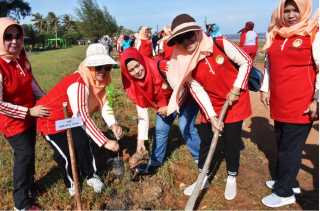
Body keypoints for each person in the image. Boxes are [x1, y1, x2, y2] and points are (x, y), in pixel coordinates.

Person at [165, 14, 252, 199]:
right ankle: (203, 177)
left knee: (231, 141)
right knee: (206, 141)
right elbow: (197, 91)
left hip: (234, 102)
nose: (187, 41)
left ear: (197, 31)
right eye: (180, 39)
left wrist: (236, 88)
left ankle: (231, 176)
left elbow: (246, 61)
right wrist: (212, 116)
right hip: (212, 103)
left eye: (189, 35)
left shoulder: (220, 44)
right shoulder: (185, 62)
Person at [36, 43, 123, 196]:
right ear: (89, 66)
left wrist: (113, 123)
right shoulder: (79, 84)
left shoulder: (105, 80)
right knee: (66, 154)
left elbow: (105, 103)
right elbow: (82, 115)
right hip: (51, 121)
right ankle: (72, 183)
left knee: (84, 144)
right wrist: (106, 142)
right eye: (98, 67)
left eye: (107, 67)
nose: (103, 71)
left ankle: (91, 175)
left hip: (72, 118)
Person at [260, 0, 319, 207]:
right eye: (287, 10)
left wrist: (317, 100)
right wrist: (265, 88)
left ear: (304, 11)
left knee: (289, 149)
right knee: (282, 143)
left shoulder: (312, 33)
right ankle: (288, 181)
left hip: (301, 103)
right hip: (280, 103)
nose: (291, 14)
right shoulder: (277, 33)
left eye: (295, 10)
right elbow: (269, 64)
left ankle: (284, 193)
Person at [119, 47, 202, 174]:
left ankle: (201, 159)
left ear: (141, 60)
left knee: (185, 126)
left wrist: (171, 107)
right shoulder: (134, 86)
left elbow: (184, 85)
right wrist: (140, 141)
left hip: (185, 98)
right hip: (164, 105)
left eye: (137, 66)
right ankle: (155, 162)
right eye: (131, 70)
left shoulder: (162, 67)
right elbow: (142, 115)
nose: (137, 71)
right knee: (160, 130)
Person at [0, 17, 50, 210]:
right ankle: (21, 203)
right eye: (8, 37)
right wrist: (29, 111)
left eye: (17, 35)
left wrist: (47, 100)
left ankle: (30, 187)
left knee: (30, 153)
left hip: (30, 116)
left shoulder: (21, 57)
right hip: (12, 122)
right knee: (24, 156)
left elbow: (31, 83)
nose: (14, 41)